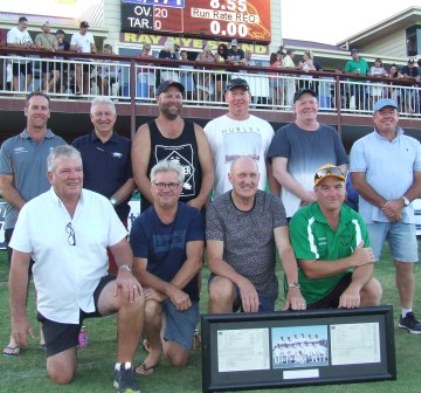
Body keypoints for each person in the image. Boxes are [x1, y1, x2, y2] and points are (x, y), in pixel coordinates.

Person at [8, 145, 144, 392]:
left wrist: (125, 269)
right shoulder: (32, 211)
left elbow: (122, 246)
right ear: (51, 176)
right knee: (61, 375)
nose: (74, 176)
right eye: (65, 171)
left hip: (95, 289)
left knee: (132, 294)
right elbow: (18, 267)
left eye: (78, 170)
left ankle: (123, 368)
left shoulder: (100, 204)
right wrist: (18, 316)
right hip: (57, 302)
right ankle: (67, 346)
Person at [0, 92, 67, 356]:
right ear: (25, 111)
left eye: (44, 108)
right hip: (18, 222)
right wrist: (31, 212)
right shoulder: (9, 146)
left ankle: (44, 333)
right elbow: (4, 186)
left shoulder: (60, 144)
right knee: (19, 280)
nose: (39, 111)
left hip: (53, 223)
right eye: (34, 107)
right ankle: (15, 335)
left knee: (47, 281)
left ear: (49, 113)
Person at [350, 98, 421, 334]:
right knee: (365, 264)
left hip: (404, 216)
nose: (387, 116)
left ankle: (406, 315)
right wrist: (385, 205)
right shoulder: (361, 144)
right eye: (382, 113)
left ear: (398, 116)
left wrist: (401, 203)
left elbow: (419, 181)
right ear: (374, 117)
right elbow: (358, 182)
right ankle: (362, 313)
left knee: (406, 265)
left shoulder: (413, 144)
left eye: (391, 112)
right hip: (372, 216)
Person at [130, 159, 204, 375]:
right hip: (160, 292)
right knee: (149, 307)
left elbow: (195, 260)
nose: (166, 189)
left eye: (172, 184)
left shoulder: (191, 216)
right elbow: (139, 270)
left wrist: (166, 293)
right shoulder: (141, 223)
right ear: (152, 187)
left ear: (181, 188)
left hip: (184, 295)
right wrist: (169, 292)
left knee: (178, 359)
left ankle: (171, 329)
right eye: (161, 184)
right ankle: (153, 348)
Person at [206, 156, 306, 313]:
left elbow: (285, 248)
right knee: (221, 289)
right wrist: (242, 282)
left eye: (253, 175)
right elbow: (214, 260)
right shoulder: (217, 208)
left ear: (259, 178)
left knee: (257, 335)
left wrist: (294, 287)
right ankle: (217, 336)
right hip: (230, 281)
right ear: (230, 178)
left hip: (263, 287)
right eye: (242, 175)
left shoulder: (272, 204)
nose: (248, 181)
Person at [289, 164, 382, 309]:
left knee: (372, 288)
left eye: (338, 187)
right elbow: (310, 270)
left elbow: (366, 263)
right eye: (325, 188)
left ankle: (350, 330)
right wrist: (351, 261)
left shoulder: (355, 220)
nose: (332, 193)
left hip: (340, 286)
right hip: (307, 294)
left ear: (345, 191)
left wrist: (354, 287)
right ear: (316, 192)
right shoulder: (302, 219)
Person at [72, 97, 136, 273]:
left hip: (116, 217)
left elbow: (132, 181)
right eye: (98, 114)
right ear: (91, 118)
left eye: (108, 114)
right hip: (85, 217)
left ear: (115, 117)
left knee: (118, 268)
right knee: (87, 268)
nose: (103, 118)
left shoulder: (127, 145)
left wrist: (109, 204)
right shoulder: (79, 145)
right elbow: (73, 179)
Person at [132, 80, 214, 213]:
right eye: (169, 96)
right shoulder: (145, 131)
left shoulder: (196, 130)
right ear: (157, 99)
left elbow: (209, 172)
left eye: (178, 96)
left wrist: (199, 201)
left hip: (191, 213)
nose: (174, 100)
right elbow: (139, 176)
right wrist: (163, 206)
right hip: (157, 214)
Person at [268, 88, 347, 219]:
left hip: (327, 211)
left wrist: (323, 194)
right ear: (294, 108)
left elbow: (342, 166)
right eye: (302, 103)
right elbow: (278, 171)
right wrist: (307, 196)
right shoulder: (283, 133)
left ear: (318, 106)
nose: (308, 106)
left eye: (311, 102)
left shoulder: (331, 133)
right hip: (295, 212)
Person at [204, 77, 277, 199]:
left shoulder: (265, 127)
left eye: (243, 94)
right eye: (233, 94)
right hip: (223, 201)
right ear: (226, 97)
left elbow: (271, 168)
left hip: (258, 202)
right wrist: (205, 200)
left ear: (250, 97)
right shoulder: (212, 128)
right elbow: (205, 168)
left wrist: (275, 200)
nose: (238, 98)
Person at [7, 16, 35, 91]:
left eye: (26, 24)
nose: (25, 26)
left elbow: (30, 42)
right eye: (23, 24)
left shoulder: (26, 32)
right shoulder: (12, 31)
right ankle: (16, 92)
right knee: (16, 75)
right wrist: (22, 46)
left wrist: (31, 45)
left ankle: (23, 91)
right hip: (15, 58)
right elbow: (9, 44)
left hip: (25, 58)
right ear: (19, 23)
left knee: (29, 74)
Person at [70, 21, 97, 95]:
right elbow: (71, 47)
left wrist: (94, 50)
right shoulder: (75, 35)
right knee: (79, 73)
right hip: (78, 57)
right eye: (84, 27)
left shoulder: (90, 35)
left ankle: (87, 93)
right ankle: (81, 90)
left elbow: (93, 46)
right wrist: (76, 49)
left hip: (88, 58)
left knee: (87, 76)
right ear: (81, 28)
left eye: (87, 27)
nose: (86, 29)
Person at [35, 22, 59, 93]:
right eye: (46, 27)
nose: (48, 28)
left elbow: (56, 47)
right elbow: (38, 46)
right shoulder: (39, 36)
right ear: (42, 28)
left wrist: (53, 48)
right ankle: (46, 93)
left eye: (49, 27)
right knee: (46, 77)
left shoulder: (53, 37)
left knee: (57, 76)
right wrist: (49, 49)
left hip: (53, 59)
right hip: (44, 59)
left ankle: (46, 90)